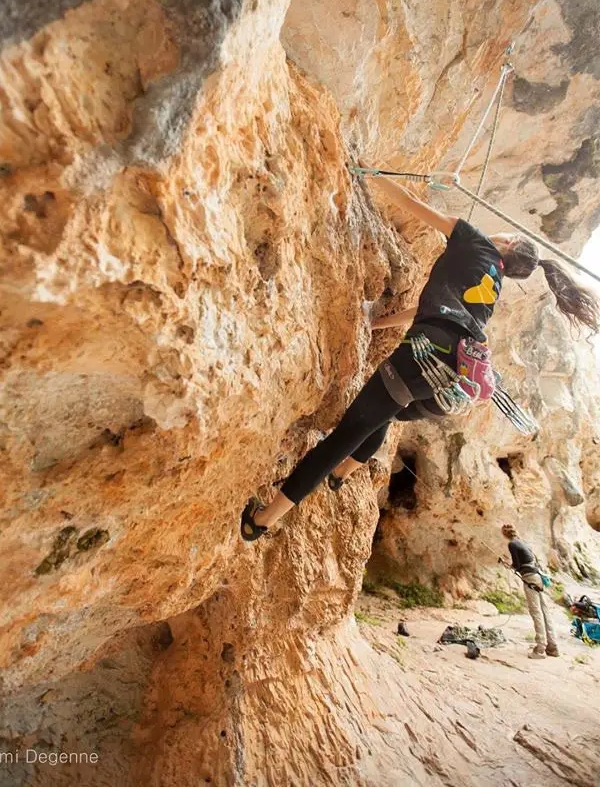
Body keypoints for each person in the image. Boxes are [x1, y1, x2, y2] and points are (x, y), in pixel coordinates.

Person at [241, 177, 600, 541]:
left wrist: (370, 176)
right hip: (451, 377)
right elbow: (426, 310)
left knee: (346, 435)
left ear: (509, 242)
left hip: (423, 355)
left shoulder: (474, 239)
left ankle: (263, 519)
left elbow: (413, 203)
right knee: (386, 413)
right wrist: (379, 322)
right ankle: (342, 473)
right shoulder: (493, 287)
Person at [499, 524, 558, 658]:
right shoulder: (523, 543)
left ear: (504, 534)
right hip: (538, 577)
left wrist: (506, 564)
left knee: (536, 612)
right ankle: (553, 647)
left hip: (530, 578)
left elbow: (518, 566)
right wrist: (510, 565)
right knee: (544, 611)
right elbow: (525, 562)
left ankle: (540, 649)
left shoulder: (512, 544)